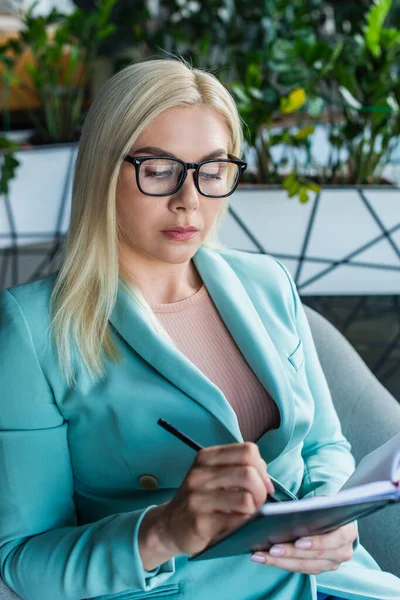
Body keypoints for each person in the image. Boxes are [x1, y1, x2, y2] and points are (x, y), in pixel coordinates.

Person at [0, 57, 399, 600]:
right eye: (160, 169)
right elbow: (22, 560)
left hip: (328, 585)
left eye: (211, 172)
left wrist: (335, 522)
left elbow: (324, 447)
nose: (189, 199)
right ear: (101, 170)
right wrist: (163, 530)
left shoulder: (266, 282)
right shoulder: (32, 328)